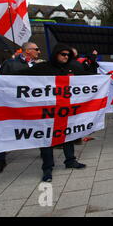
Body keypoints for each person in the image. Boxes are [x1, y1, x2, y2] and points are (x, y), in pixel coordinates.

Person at [18, 43, 88, 182]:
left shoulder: (72, 67)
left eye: (68, 55)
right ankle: (47, 168)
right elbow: (18, 76)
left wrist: (105, 77)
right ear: (56, 54)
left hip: (65, 110)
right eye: (63, 54)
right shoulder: (43, 67)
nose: (66, 57)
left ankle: (70, 161)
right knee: (47, 139)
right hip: (48, 112)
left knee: (67, 135)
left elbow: (89, 78)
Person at [0, 42, 41, 175]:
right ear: (28, 51)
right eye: (36, 49)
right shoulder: (10, 64)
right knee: (3, 129)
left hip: (31, 103)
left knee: (40, 126)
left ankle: (45, 152)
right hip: (12, 104)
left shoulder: (37, 65)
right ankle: (0, 160)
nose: (39, 51)